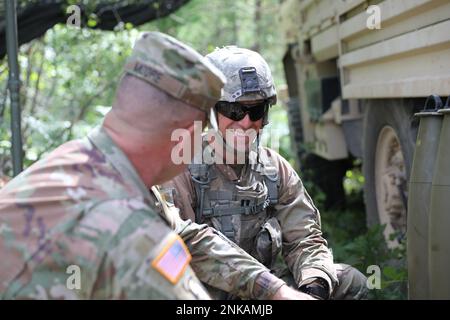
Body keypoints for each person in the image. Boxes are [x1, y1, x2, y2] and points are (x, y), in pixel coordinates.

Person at [0, 33, 310, 300]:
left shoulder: (82, 161)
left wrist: (272, 289)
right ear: (184, 133)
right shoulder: (130, 229)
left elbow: (185, 234)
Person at [162, 46, 369, 300]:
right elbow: (173, 253)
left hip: (268, 292)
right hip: (203, 294)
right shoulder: (182, 170)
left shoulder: (273, 168)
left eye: (256, 110)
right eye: (234, 111)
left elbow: (305, 238)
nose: (246, 122)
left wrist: (313, 287)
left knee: (351, 281)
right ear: (210, 113)